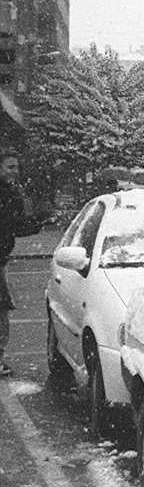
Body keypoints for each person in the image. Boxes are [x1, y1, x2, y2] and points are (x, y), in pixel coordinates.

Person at [0, 151, 44, 377]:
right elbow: (11, 225)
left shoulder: (10, 192)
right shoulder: (6, 193)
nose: (14, 172)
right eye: (10, 167)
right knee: (2, 310)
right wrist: (37, 222)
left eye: (16, 167)